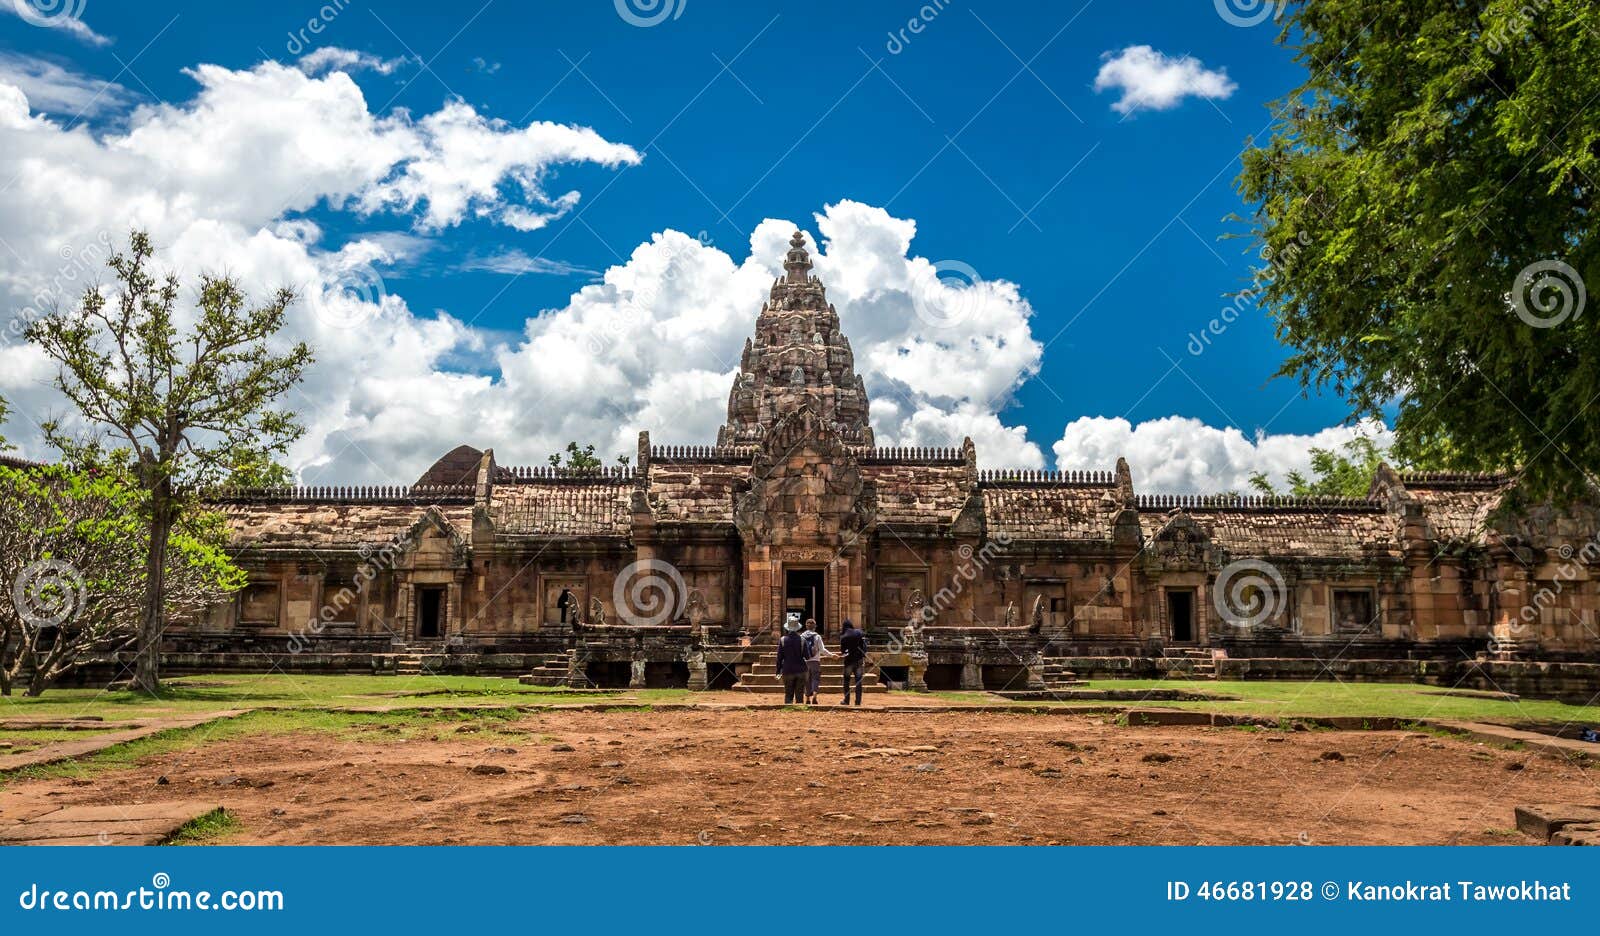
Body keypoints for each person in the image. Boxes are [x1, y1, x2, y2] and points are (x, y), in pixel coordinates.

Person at [801, 618, 835, 705]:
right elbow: (822, 650)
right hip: (815, 661)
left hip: (805, 661)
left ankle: (807, 698)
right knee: (815, 679)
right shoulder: (817, 636)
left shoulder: (801, 637)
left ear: (806, 626)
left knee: (807, 680)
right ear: (814, 627)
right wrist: (832, 655)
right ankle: (815, 697)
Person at [777, 618, 809, 705]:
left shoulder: (783, 640)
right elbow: (807, 656)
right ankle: (799, 711)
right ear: (798, 628)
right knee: (799, 694)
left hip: (787, 669)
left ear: (787, 628)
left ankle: (788, 709)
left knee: (788, 693)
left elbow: (779, 658)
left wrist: (778, 671)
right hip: (801, 669)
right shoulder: (803, 640)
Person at [839, 618, 867, 706]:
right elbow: (864, 646)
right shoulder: (859, 633)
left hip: (848, 661)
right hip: (858, 660)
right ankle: (858, 701)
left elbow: (843, 651)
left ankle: (846, 700)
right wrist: (863, 655)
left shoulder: (844, 636)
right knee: (858, 681)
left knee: (846, 681)